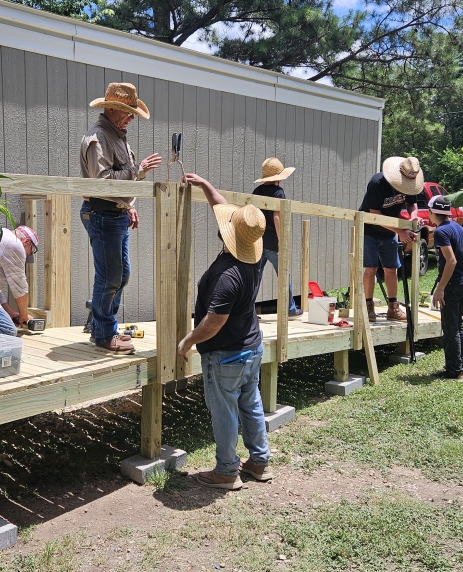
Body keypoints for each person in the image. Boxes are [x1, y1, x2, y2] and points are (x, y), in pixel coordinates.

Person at [178, 172, 271, 491]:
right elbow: (224, 209)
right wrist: (205, 186)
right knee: (251, 404)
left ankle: (227, 471)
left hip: (226, 355)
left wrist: (189, 340)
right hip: (251, 349)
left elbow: (214, 322)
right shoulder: (251, 258)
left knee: (225, 413)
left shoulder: (226, 275)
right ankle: (258, 463)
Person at [79, 83, 162, 355]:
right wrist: (138, 171)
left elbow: (120, 180)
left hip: (113, 213)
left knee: (119, 274)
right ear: (112, 109)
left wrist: (129, 206)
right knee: (111, 275)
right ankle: (104, 333)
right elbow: (102, 183)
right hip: (102, 213)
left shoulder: (116, 134)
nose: (132, 117)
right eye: (127, 112)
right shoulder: (99, 138)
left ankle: (103, 327)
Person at [358, 156, 423, 323]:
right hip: (370, 229)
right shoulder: (377, 183)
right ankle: (368, 307)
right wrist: (400, 231)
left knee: (391, 269)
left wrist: (414, 217)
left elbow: (411, 204)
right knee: (371, 268)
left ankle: (393, 308)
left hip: (390, 232)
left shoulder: (410, 185)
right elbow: (375, 215)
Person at [427, 195, 463, 378]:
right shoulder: (458, 227)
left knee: (450, 328)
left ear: (433, 213)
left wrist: (441, 288)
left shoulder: (441, 232)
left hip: (452, 285)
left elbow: (451, 260)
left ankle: (455, 371)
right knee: (457, 325)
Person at [251, 157, 302, 317]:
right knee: (283, 275)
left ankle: (247, 311)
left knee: (254, 278)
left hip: (258, 241)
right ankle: (289, 309)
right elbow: (277, 217)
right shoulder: (278, 193)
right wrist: (282, 243)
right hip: (273, 242)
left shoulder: (257, 192)